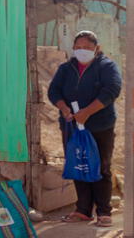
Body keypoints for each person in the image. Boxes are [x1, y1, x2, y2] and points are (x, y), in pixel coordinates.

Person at [47, 30, 121, 227]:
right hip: (72, 127)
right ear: (73, 48)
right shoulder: (66, 68)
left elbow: (112, 90)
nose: (82, 51)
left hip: (100, 126)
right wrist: (63, 108)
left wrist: (87, 112)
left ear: (96, 49)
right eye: (78, 47)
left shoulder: (106, 66)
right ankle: (83, 210)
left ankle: (104, 212)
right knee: (79, 166)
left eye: (87, 48)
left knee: (101, 167)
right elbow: (53, 91)